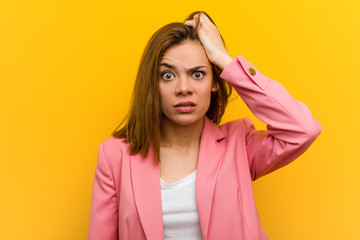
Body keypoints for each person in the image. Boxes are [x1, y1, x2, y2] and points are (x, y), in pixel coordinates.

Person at [89, 11, 322, 240]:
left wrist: (224, 59)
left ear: (214, 82)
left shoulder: (239, 145)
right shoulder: (115, 155)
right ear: (153, 84)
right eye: (168, 76)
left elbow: (302, 129)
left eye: (198, 74)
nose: (184, 88)